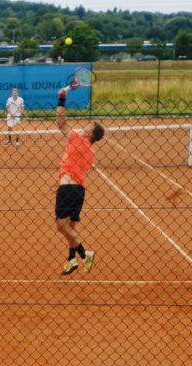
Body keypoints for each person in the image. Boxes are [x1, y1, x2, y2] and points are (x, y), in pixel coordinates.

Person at [55, 86, 104, 275]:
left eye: (88, 127)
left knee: (61, 226)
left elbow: (60, 123)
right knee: (71, 227)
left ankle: (84, 255)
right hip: (79, 190)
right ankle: (70, 261)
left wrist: (62, 97)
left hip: (67, 188)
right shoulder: (92, 151)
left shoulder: (78, 139)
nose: (85, 127)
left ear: (90, 134)